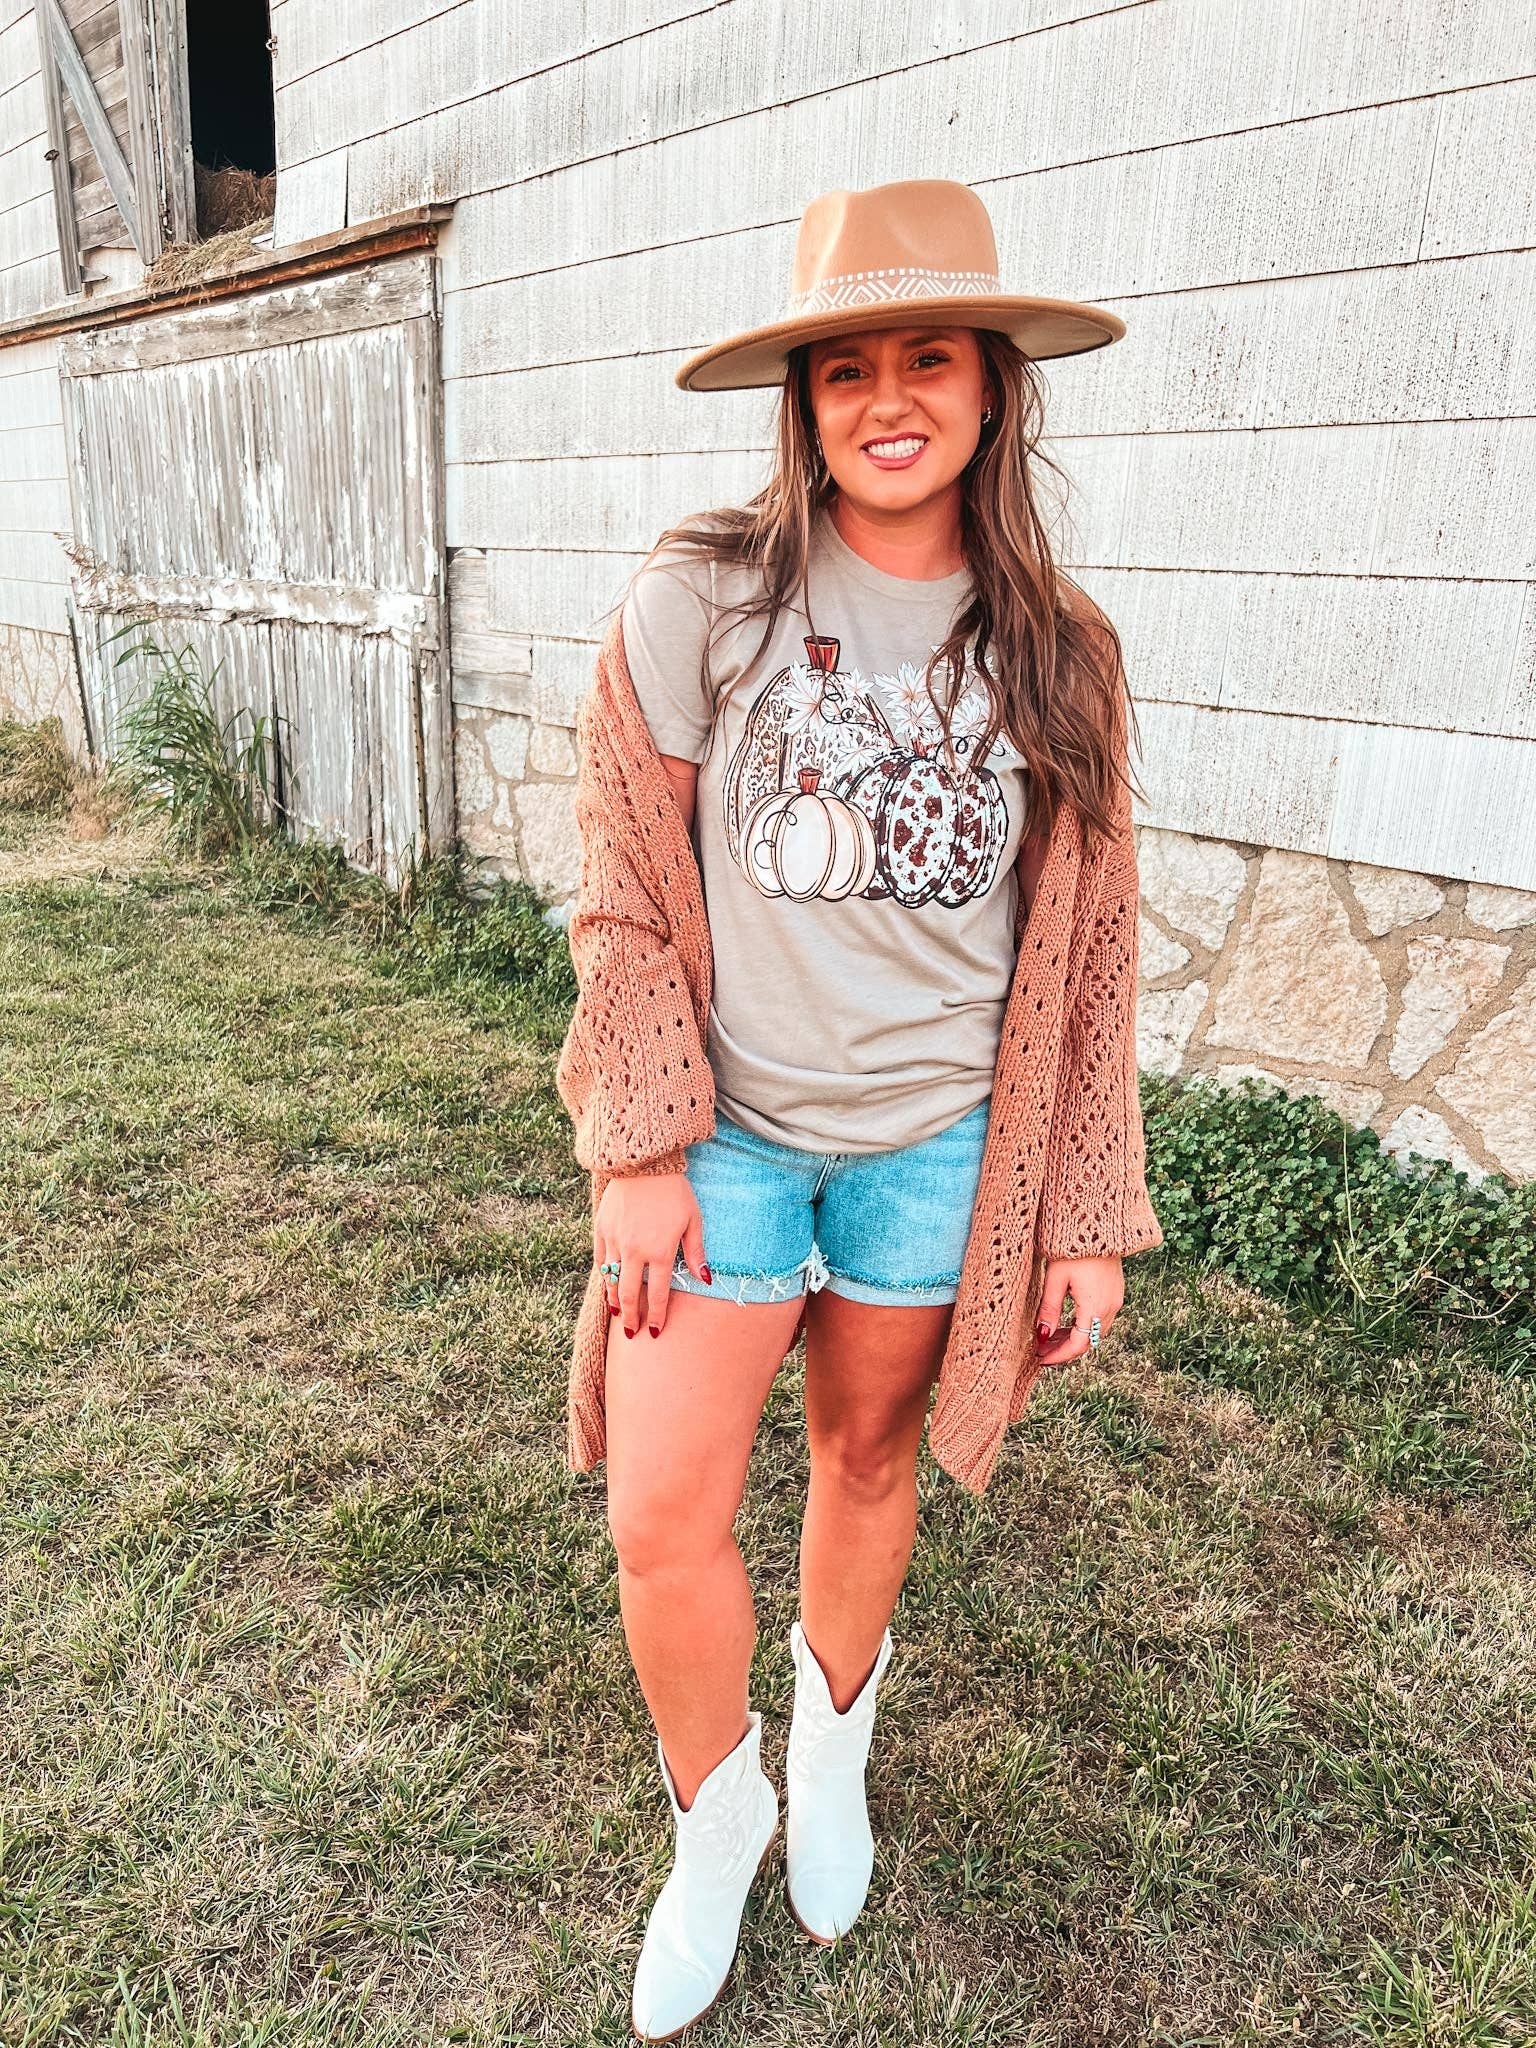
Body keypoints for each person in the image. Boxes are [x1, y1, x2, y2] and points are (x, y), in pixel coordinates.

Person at [554, 178, 1164, 2042]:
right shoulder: (703, 599)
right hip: (726, 1142)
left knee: (869, 1459)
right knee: (661, 1513)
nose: (888, 398)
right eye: (846, 369)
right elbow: (623, 882)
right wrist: (640, 1145)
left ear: (991, 387)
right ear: (803, 401)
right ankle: (716, 1819)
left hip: (937, 1154)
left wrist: (1079, 1210)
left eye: (929, 359)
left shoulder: (1060, 648)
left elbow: (1094, 954)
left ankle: (831, 1757)